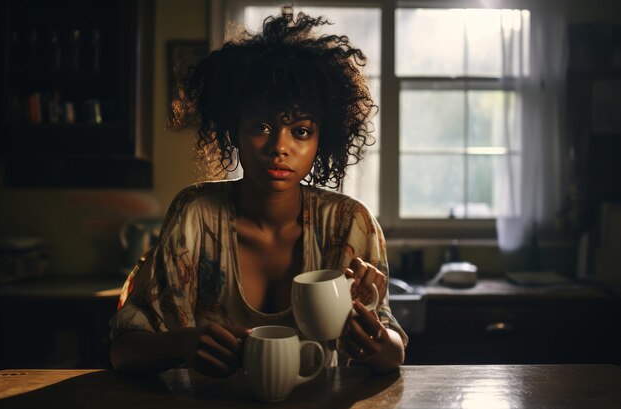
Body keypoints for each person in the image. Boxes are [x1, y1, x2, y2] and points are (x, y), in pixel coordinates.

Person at [109, 6, 407, 378]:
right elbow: (123, 350)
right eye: (262, 126)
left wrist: (376, 340)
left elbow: (393, 354)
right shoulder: (196, 214)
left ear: (321, 140)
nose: (279, 147)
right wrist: (183, 344)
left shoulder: (349, 223)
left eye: (300, 130)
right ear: (234, 130)